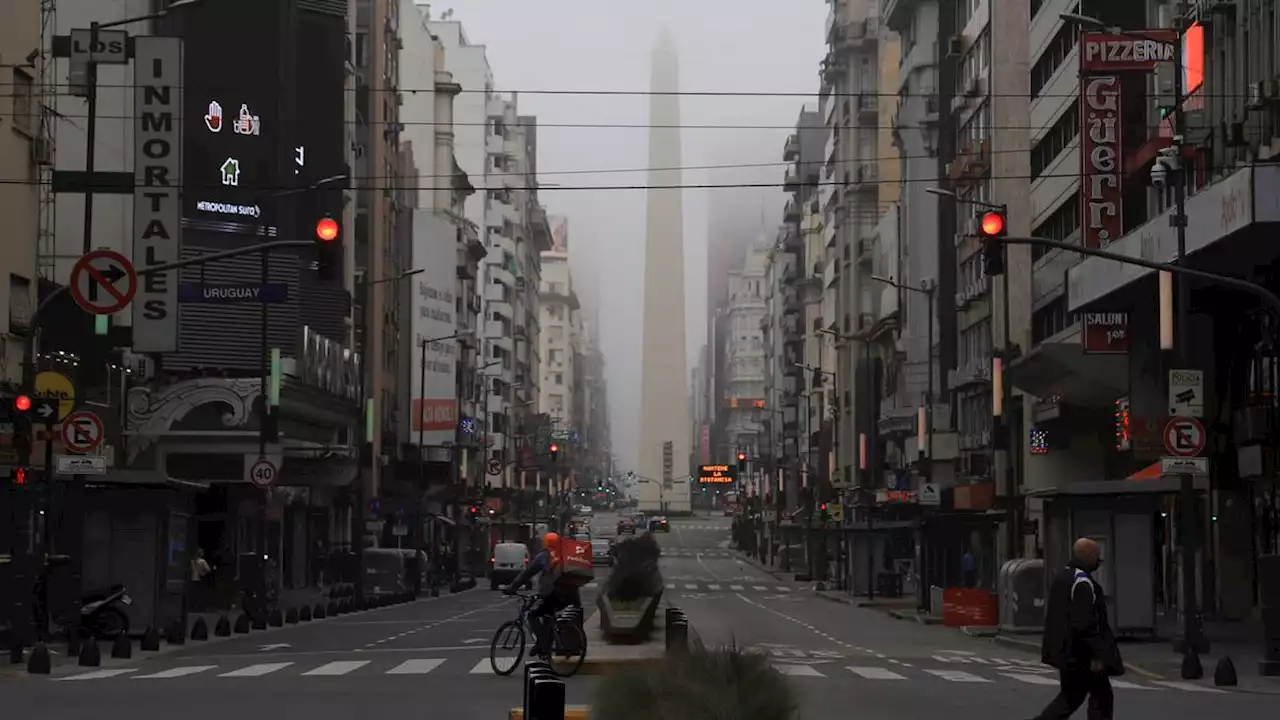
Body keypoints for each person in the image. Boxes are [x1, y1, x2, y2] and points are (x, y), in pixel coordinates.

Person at [1034, 538, 1124, 720]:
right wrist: (1097, 656)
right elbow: (1086, 624)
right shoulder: (1082, 582)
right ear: (1088, 555)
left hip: (1066, 653)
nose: (1099, 560)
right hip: (1082, 655)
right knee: (1100, 698)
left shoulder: (1063, 576)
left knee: (1071, 698)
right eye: (1097, 556)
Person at [504, 532, 580, 658]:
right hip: (570, 594)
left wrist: (512, 587)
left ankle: (542, 644)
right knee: (548, 617)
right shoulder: (566, 554)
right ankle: (548, 647)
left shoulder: (544, 555)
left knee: (532, 615)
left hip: (552, 594)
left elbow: (527, 573)